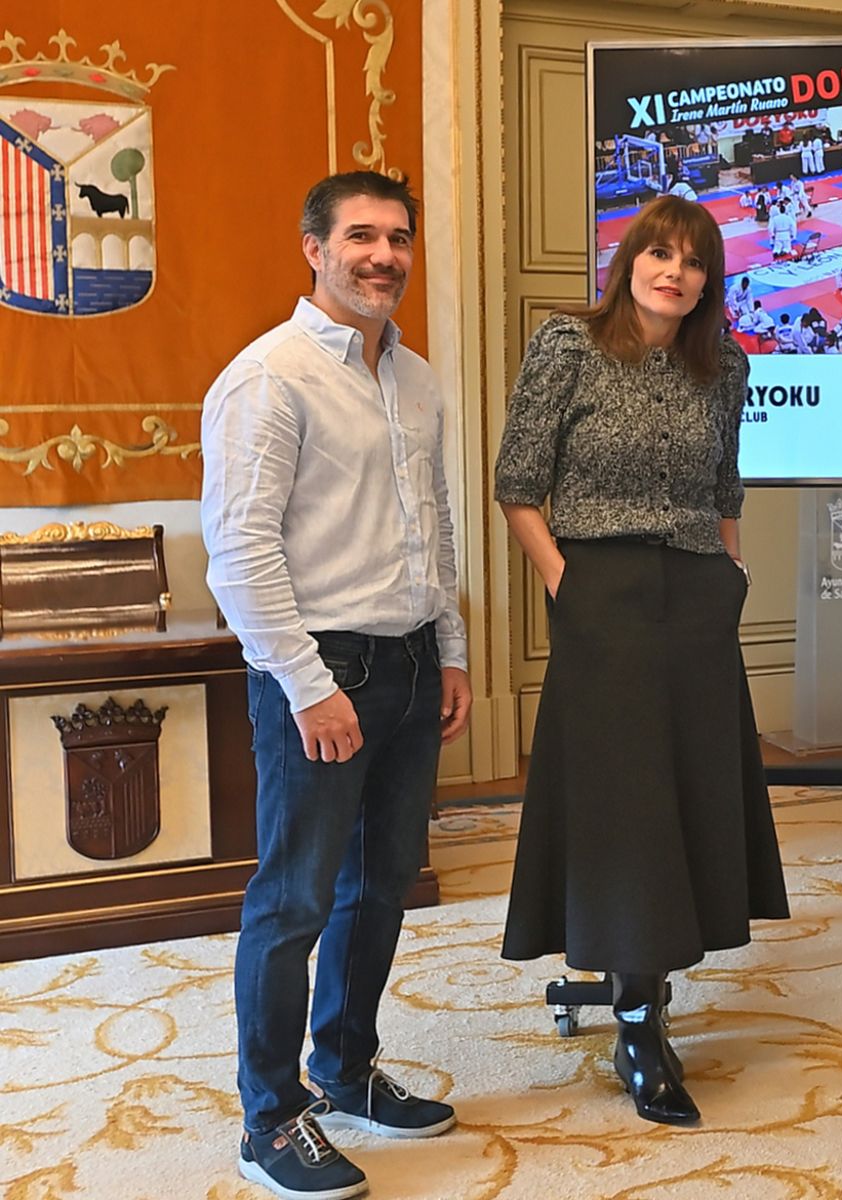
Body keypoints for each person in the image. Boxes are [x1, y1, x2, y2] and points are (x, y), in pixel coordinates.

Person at [201, 171, 472, 1200]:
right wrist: (310, 688)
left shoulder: (418, 378)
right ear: (314, 249)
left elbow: (433, 527)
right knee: (295, 899)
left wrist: (450, 650)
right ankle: (270, 1120)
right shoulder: (268, 378)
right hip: (319, 671)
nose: (383, 256)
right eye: (361, 236)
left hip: (410, 662)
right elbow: (241, 554)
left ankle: (347, 1069)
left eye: (398, 238)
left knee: (383, 883)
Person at [495, 195, 790, 1128]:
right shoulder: (569, 346)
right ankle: (635, 1021)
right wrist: (565, 583)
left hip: (698, 595)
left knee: (690, 793)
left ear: (708, 281)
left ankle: (654, 988)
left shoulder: (724, 364)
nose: (675, 272)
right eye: (660, 253)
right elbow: (517, 483)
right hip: (603, 593)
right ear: (629, 263)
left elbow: (725, 485)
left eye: (694, 261)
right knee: (626, 807)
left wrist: (733, 572)